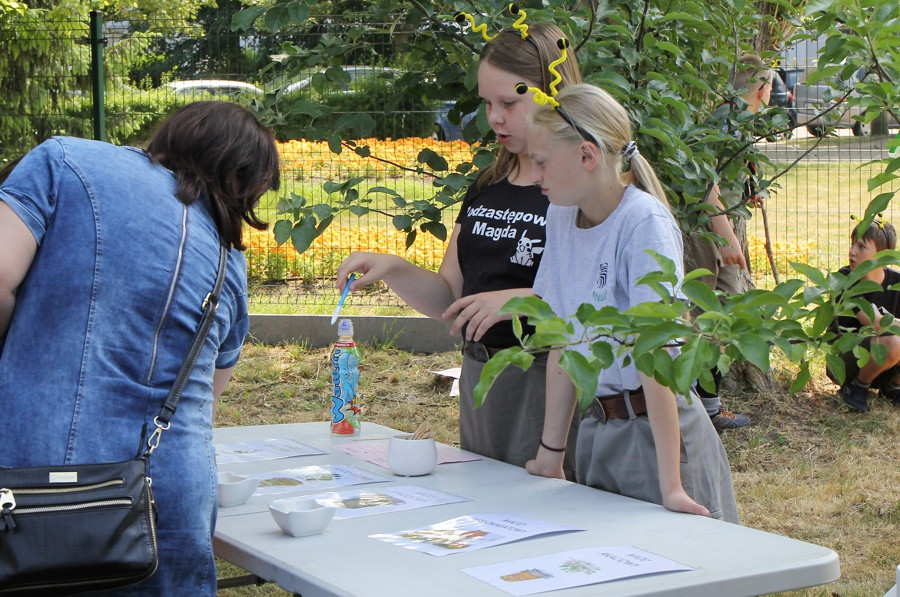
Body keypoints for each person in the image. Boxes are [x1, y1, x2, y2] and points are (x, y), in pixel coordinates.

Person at [0, 101, 280, 594]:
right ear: (242, 178)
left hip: (36, 481)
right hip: (167, 496)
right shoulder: (227, 262)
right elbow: (208, 398)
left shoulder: (65, 162)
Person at [334, 22, 582, 473]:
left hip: (552, 380)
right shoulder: (488, 185)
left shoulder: (577, 189)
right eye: (488, 103)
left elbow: (600, 303)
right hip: (482, 376)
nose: (495, 117)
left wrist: (523, 302)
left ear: (554, 94)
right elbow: (452, 298)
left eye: (509, 102)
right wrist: (393, 268)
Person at [523, 83, 739, 522]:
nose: (533, 174)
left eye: (541, 161)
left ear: (587, 156)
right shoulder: (561, 215)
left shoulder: (643, 224)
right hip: (600, 431)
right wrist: (552, 453)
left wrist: (672, 485)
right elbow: (565, 339)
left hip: (658, 438)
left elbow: (654, 356)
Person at [685, 54, 773, 431]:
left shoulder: (732, 117)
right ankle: (701, 405)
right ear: (763, 89)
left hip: (711, 225)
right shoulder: (731, 121)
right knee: (715, 316)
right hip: (707, 230)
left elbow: (724, 172)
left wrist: (748, 189)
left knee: (715, 317)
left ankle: (705, 403)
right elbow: (705, 182)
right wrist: (726, 237)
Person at [827, 219, 900, 412]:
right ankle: (856, 387)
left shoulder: (897, 282)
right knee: (893, 341)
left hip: (886, 363)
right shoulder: (845, 280)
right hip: (845, 364)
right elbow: (876, 324)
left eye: (861, 247)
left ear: (882, 256)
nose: (852, 251)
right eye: (852, 244)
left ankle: (893, 386)